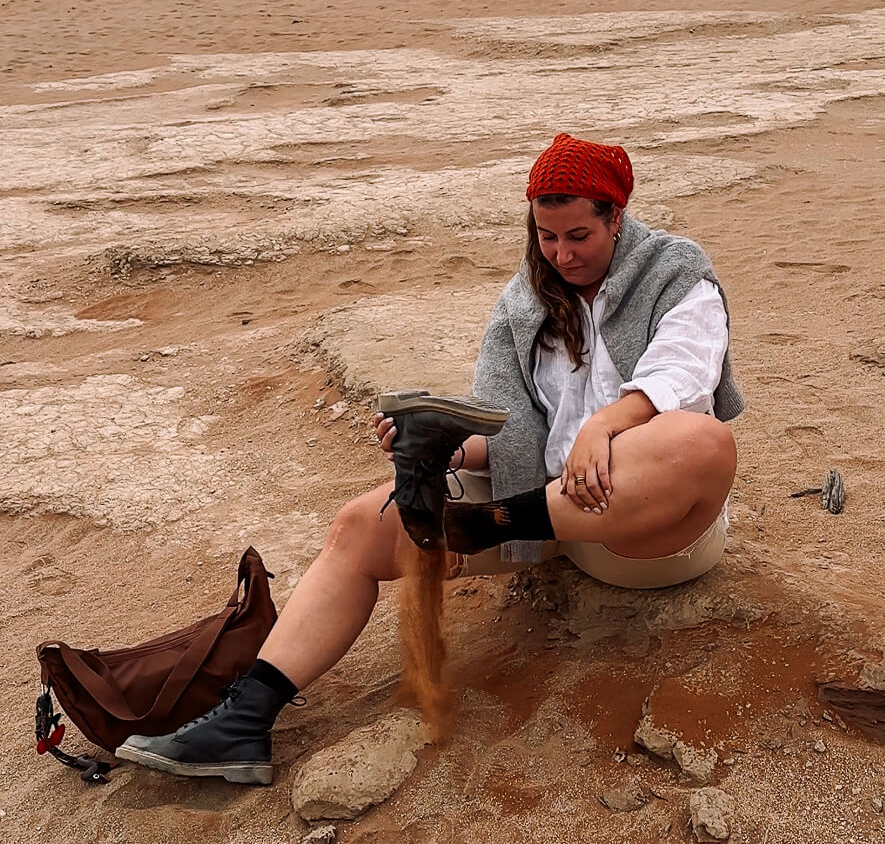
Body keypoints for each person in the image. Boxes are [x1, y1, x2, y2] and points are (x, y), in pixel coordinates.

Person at [116, 133, 743, 786]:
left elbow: (684, 375)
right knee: (361, 523)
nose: (561, 255)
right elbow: (504, 430)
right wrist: (440, 439)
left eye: (579, 235)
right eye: (547, 237)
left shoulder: (674, 270)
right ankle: (242, 722)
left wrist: (604, 428)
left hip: (650, 537)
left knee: (699, 441)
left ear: (617, 215)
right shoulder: (523, 302)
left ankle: (495, 521)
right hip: (546, 520)